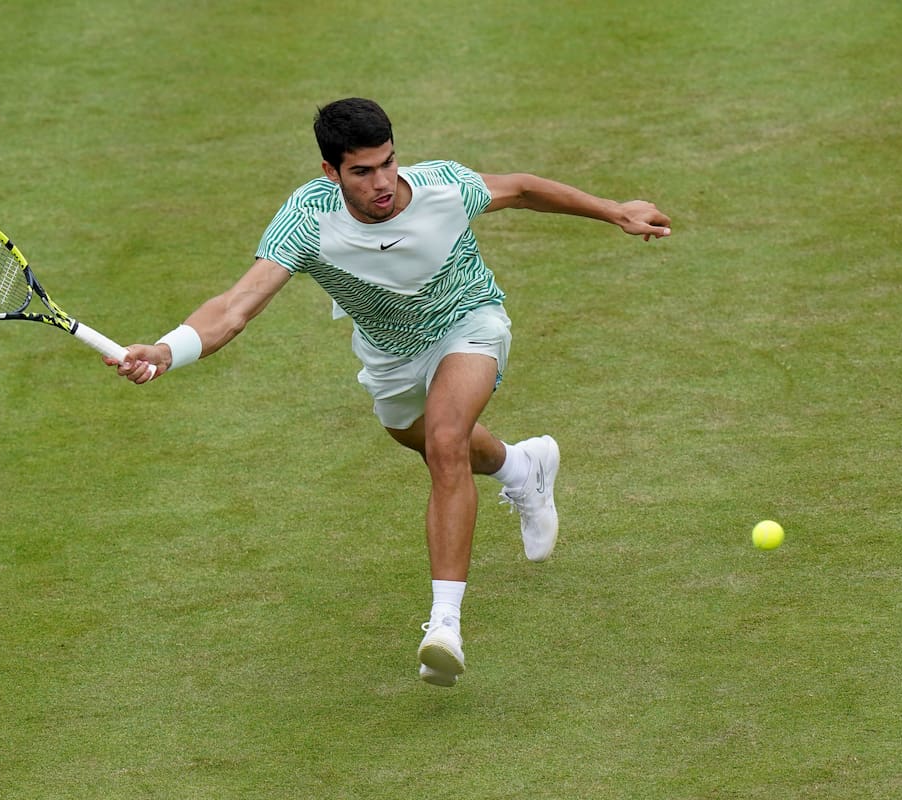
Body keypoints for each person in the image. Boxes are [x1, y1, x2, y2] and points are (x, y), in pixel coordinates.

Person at [108, 97, 671, 687]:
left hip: (468, 321)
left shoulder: (441, 187)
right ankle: (520, 467)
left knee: (447, 441)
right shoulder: (307, 221)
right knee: (421, 437)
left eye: (388, 163)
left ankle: (444, 626)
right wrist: (169, 349)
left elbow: (524, 188)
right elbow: (235, 306)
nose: (382, 183)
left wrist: (615, 211)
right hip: (390, 355)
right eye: (362, 171)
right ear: (331, 173)